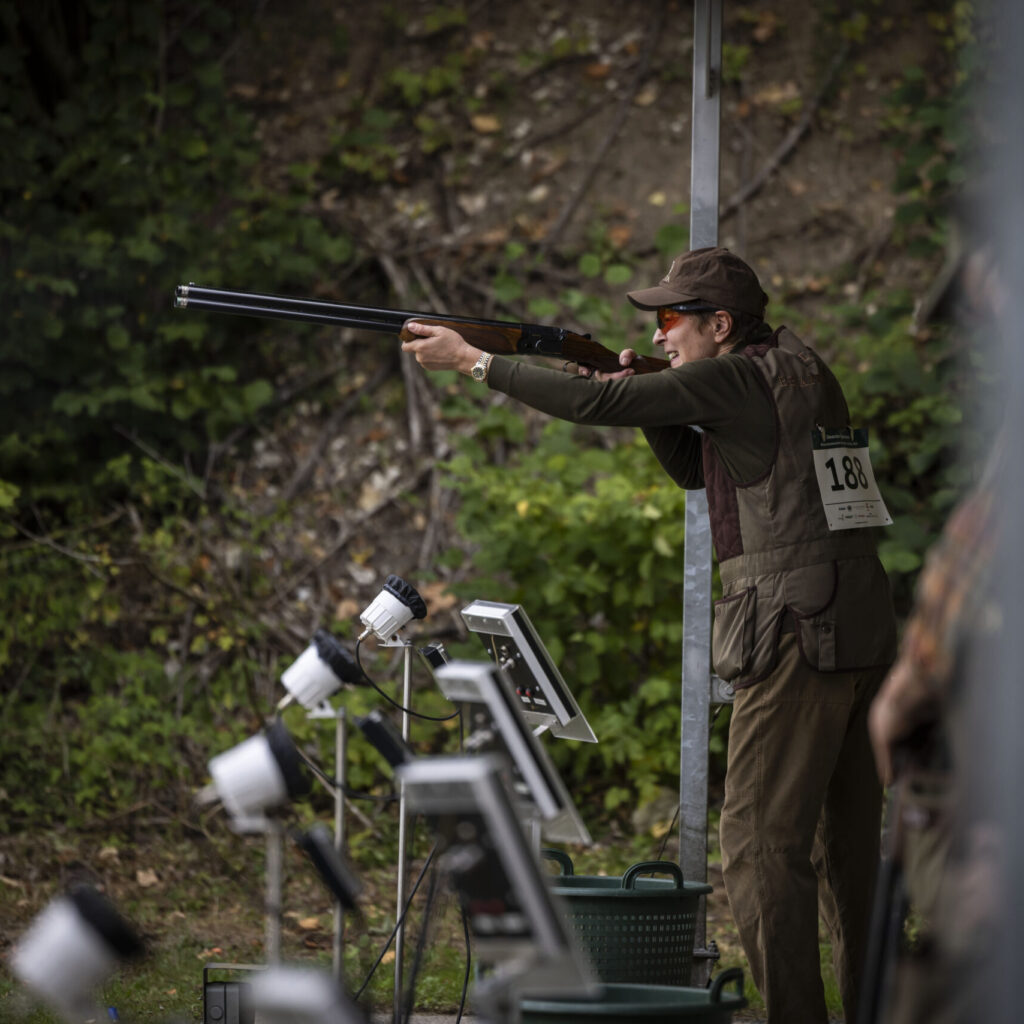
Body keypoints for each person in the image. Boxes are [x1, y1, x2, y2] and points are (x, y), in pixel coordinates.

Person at [402, 246, 897, 1024]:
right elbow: (705, 471)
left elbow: (597, 410)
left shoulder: (732, 377)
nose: (663, 336)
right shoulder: (798, 367)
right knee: (849, 852)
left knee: (761, 847)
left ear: (721, 326)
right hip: (861, 627)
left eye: (672, 320)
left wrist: (474, 361)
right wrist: (651, 395)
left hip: (797, 633)